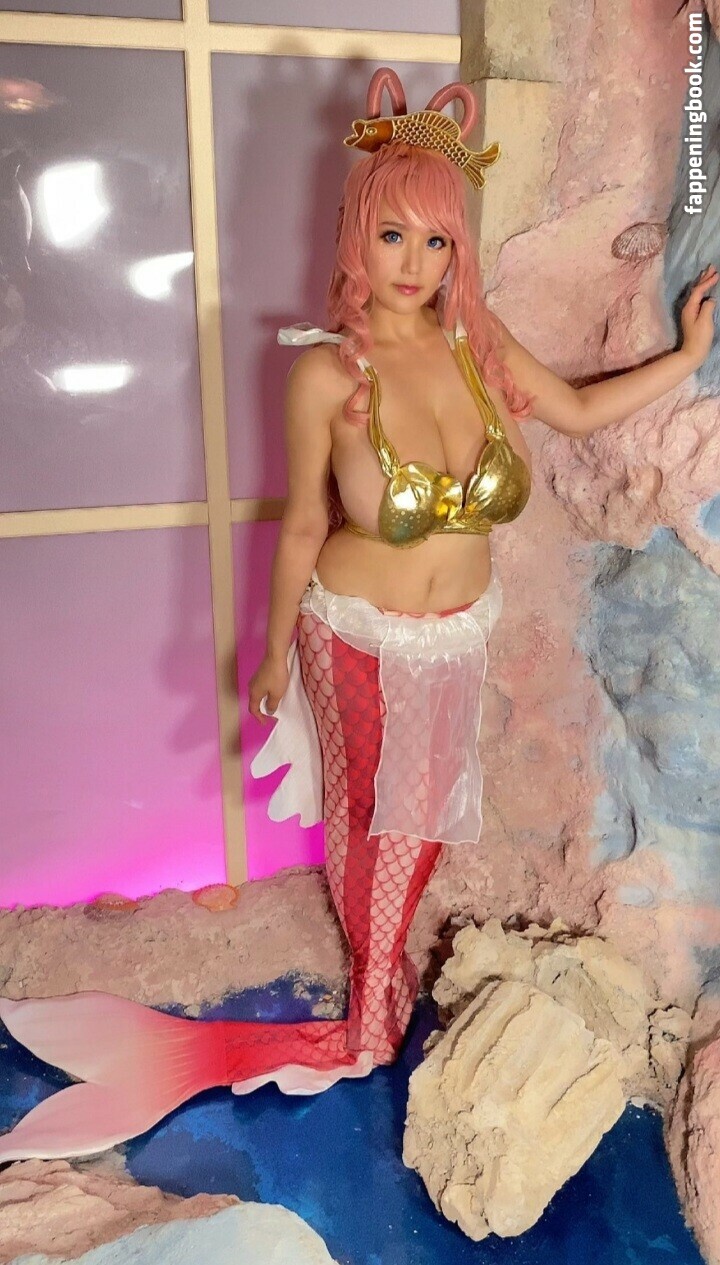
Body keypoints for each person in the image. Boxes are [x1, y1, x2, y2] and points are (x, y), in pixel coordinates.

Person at [0, 69, 715, 1165]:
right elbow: (300, 522)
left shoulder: (478, 345)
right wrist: (270, 651)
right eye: (393, 235)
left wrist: (685, 359)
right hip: (354, 635)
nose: (414, 263)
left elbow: (574, 409)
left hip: (455, 636)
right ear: (356, 234)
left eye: (436, 241)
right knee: (371, 820)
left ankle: (374, 987)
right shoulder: (328, 376)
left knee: (418, 821)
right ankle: (370, 1009)